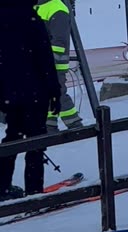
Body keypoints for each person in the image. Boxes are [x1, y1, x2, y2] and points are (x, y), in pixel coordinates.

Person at [0, 1, 61, 201]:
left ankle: (2, 188)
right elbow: (45, 58)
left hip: (10, 93)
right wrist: (54, 91)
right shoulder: (31, 20)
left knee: (12, 138)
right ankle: (34, 192)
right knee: (36, 139)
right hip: (35, 92)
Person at [36, 0, 84, 133]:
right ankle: (49, 126)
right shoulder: (37, 6)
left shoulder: (57, 7)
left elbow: (59, 40)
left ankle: (74, 124)